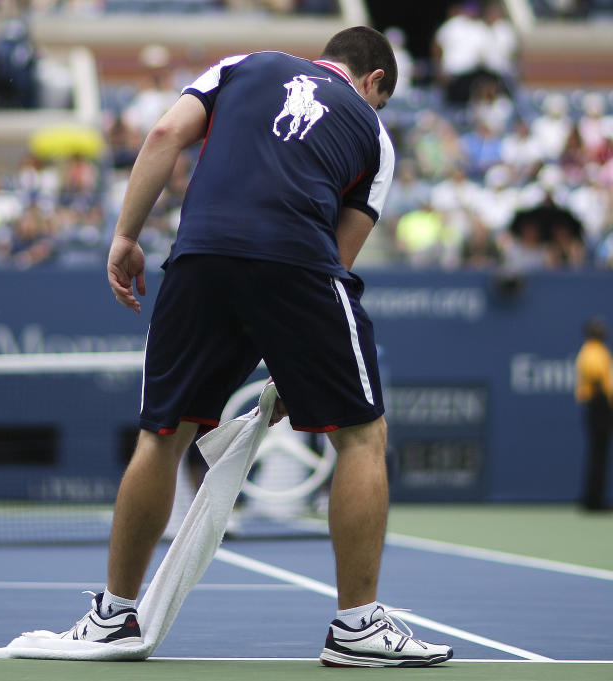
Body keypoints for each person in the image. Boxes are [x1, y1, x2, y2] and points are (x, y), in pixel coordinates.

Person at [60, 26, 453, 667]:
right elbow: (338, 254)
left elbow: (163, 137)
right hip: (296, 263)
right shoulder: (373, 135)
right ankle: (357, 626)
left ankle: (112, 615)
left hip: (198, 259)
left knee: (161, 436)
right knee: (360, 437)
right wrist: (297, 362)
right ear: (376, 82)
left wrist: (125, 236)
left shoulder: (243, 64)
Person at [575, 317, 613, 511]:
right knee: (599, 454)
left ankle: (594, 498)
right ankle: (593, 500)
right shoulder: (592, 351)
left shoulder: (597, 350)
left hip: (599, 406)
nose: (603, 330)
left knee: (599, 454)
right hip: (599, 406)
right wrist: (606, 403)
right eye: (599, 328)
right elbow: (596, 377)